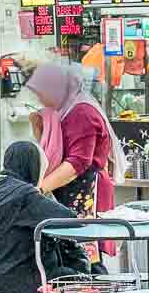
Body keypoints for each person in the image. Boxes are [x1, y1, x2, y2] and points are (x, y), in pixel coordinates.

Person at [0, 142, 88, 293]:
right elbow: (69, 219)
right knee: (75, 274)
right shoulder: (25, 195)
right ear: (33, 166)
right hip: (15, 281)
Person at [26, 61, 124, 228]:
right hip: (68, 189)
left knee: (84, 248)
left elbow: (77, 163)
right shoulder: (63, 111)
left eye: (41, 93)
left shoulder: (82, 113)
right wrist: (39, 129)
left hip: (85, 192)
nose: (40, 99)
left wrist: (39, 190)